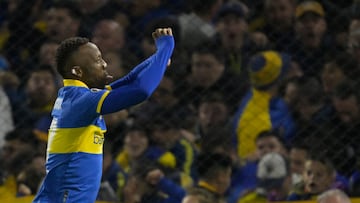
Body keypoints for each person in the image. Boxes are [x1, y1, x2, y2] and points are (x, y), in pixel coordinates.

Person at [32, 27, 175, 203]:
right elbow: (141, 90)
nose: (104, 64)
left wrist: (157, 59)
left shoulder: (76, 96)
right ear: (78, 71)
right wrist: (167, 46)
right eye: (98, 60)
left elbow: (128, 80)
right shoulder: (80, 101)